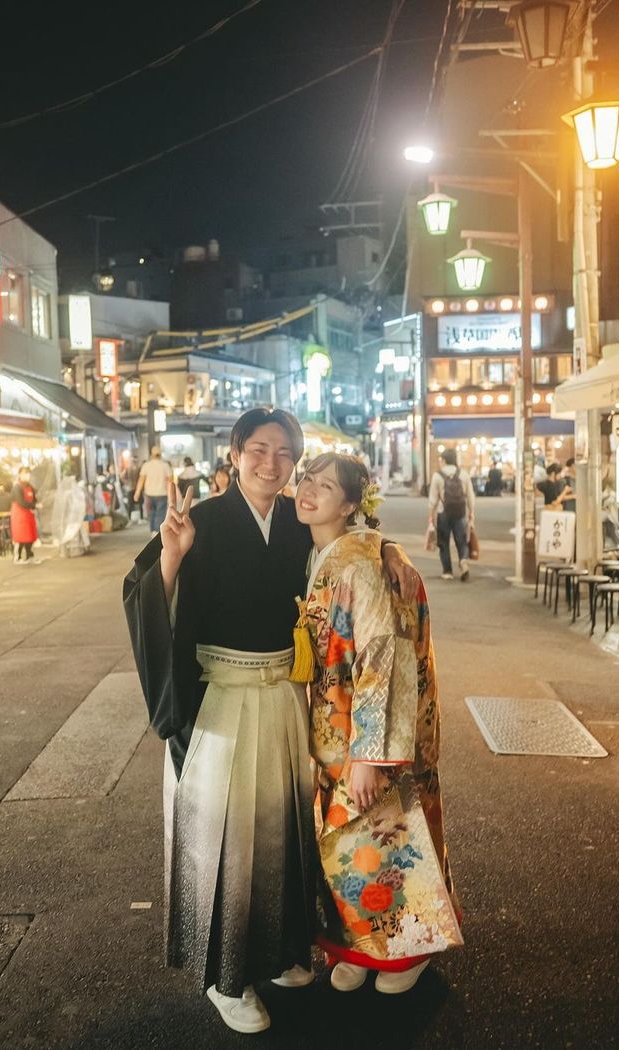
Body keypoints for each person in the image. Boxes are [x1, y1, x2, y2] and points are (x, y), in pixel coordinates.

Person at [122, 408, 419, 1037]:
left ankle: (280, 952)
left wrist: (386, 550)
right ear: (234, 454)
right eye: (258, 449)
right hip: (219, 698)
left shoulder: (295, 518)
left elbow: (348, 544)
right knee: (224, 838)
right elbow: (141, 592)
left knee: (282, 832)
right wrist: (171, 557)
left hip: (284, 694)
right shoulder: (200, 520)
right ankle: (225, 977)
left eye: (285, 453)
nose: (271, 463)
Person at [294, 453, 463, 994]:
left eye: (325, 486)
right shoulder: (324, 550)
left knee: (387, 834)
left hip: (363, 729)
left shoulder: (361, 566)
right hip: (333, 723)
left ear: (350, 504)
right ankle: (361, 947)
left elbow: (381, 657)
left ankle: (411, 950)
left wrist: (370, 754)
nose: (308, 490)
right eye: (307, 479)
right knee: (350, 843)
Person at [428, 448, 475, 582]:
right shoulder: (464, 474)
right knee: (462, 540)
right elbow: (470, 496)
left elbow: (432, 500)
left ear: (444, 460)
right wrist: (471, 513)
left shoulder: (438, 475)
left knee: (443, 542)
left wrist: (430, 516)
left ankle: (447, 571)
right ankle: (463, 561)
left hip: (443, 513)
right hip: (460, 512)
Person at [133, 446, 174, 536]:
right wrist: (172, 493)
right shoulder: (165, 465)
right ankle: (157, 531)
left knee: (151, 512)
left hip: (149, 493)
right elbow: (170, 481)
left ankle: (152, 530)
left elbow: (141, 480)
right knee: (160, 513)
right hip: (162, 493)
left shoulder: (146, 465)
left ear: (151, 454)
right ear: (160, 454)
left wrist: (137, 492)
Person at [11, 467, 40, 564]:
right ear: (20, 475)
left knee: (30, 536)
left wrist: (35, 504)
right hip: (19, 515)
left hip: (29, 514)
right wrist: (34, 505)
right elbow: (21, 502)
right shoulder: (16, 487)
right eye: (25, 474)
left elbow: (34, 499)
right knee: (20, 537)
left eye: (28, 474)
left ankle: (29, 556)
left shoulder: (30, 487)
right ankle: (17, 557)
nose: (27, 476)